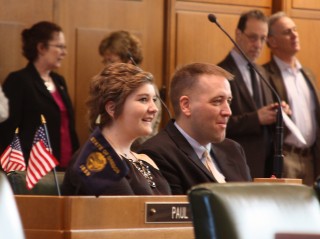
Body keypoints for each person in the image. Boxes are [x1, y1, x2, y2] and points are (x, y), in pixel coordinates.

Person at [137, 62, 251, 195]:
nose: (228, 111)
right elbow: (175, 214)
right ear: (186, 105)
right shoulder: (156, 154)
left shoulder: (233, 150)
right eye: (217, 101)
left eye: (229, 101)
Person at [62, 63, 171, 196]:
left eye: (154, 99)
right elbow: (126, 214)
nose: (154, 108)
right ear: (112, 108)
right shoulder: (96, 159)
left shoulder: (145, 159)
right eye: (143, 99)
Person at [218, 9, 290, 178]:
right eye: (253, 37)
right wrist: (256, 118)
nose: (258, 44)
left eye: (263, 38)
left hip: (267, 165)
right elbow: (216, 123)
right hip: (236, 163)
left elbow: (266, 114)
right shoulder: (220, 73)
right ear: (238, 34)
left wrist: (279, 112)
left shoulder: (262, 71)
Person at [0, 21, 79, 170]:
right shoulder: (18, 80)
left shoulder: (59, 81)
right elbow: (7, 131)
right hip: (33, 169)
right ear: (41, 48)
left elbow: (67, 125)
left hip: (65, 167)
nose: (64, 52)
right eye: (60, 47)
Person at [264, 12, 320, 185]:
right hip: (285, 158)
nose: (295, 35)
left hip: (311, 157)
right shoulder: (264, 74)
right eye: (287, 32)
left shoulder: (308, 73)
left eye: (295, 29)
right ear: (272, 41)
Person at [98, 30, 162, 149]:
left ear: (128, 60)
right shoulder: (104, 84)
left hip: (137, 152)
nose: (106, 65)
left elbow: (146, 132)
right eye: (105, 60)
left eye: (111, 61)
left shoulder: (146, 86)